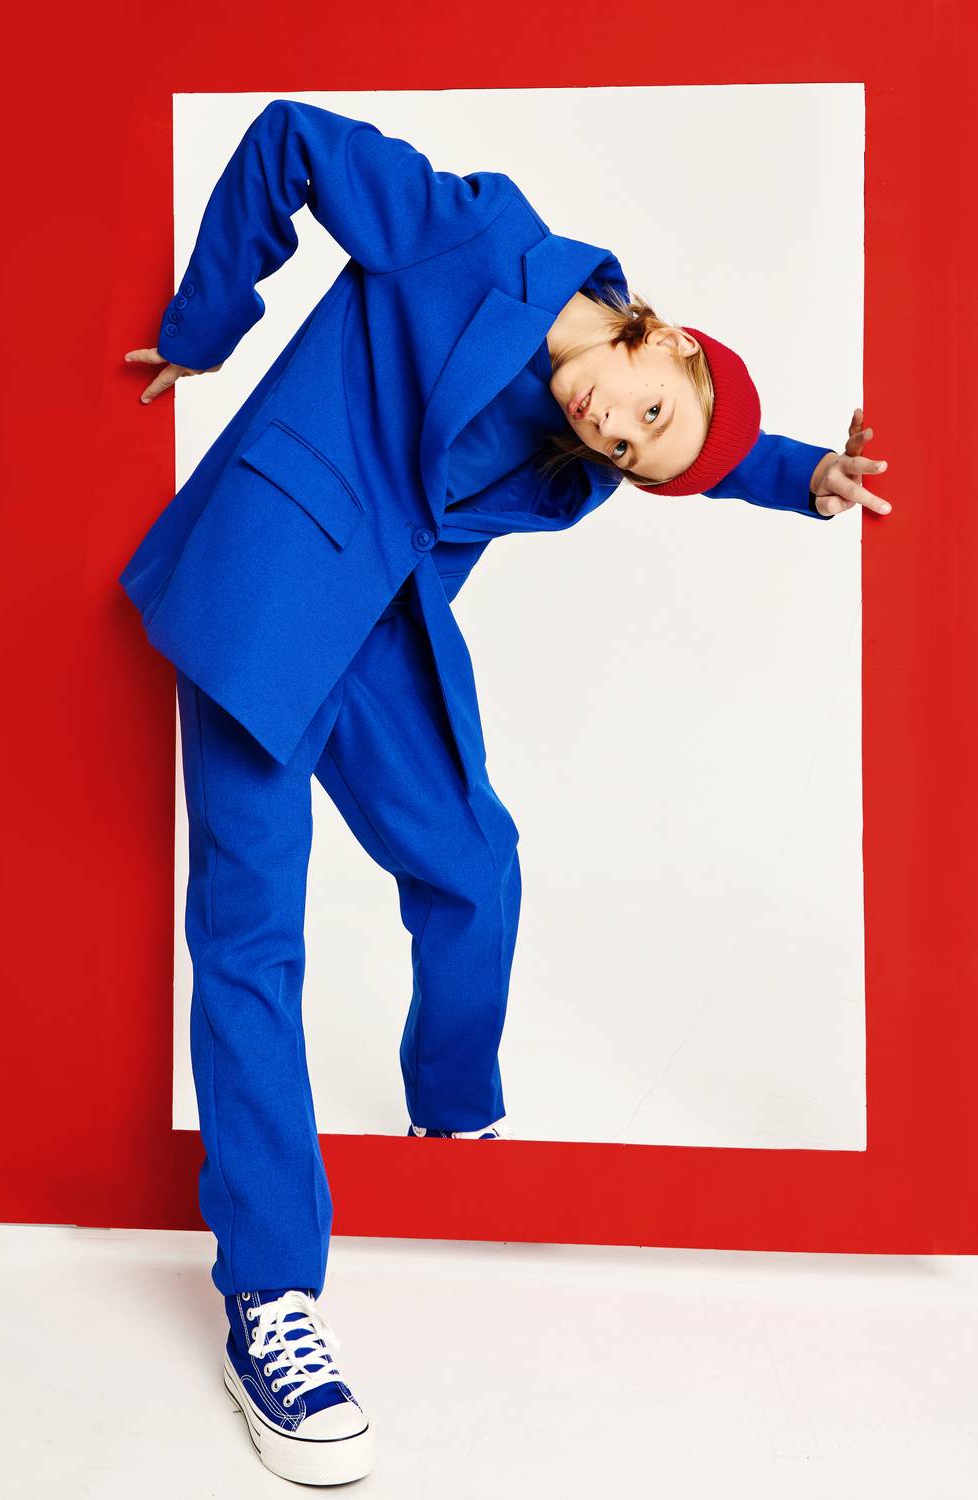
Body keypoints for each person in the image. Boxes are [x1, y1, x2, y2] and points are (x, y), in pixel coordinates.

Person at [120, 98, 891, 1487]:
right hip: (263, 593)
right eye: (642, 409)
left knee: (476, 864)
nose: (614, 431)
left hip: (378, 634)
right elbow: (290, 139)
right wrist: (206, 324)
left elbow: (696, 452)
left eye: (631, 452)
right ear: (662, 333)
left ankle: (452, 1121)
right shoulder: (475, 236)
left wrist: (805, 478)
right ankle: (270, 1294)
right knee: (253, 941)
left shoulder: (585, 446)